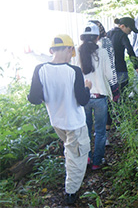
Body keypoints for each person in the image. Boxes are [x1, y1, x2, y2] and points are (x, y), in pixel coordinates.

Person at [28, 34, 92, 205]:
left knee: (71, 151)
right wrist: (87, 87)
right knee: (77, 157)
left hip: (57, 122)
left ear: (51, 50)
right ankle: (71, 194)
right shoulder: (74, 71)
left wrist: (49, 94)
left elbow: (33, 98)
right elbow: (83, 100)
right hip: (75, 123)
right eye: (71, 51)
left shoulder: (40, 69)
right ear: (69, 49)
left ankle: (71, 184)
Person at [76, 22, 118, 170]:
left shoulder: (77, 52)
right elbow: (109, 74)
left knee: (85, 129)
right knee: (100, 131)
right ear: (97, 37)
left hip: (84, 97)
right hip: (100, 97)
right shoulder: (102, 52)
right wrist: (115, 90)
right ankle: (97, 161)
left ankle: (86, 157)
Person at [89, 20, 120, 145]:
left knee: (104, 112)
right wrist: (114, 86)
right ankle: (100, 139)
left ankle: (103, 137)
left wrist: (113, 85)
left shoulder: (105, 42)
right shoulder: (90, 45)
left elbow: (110, 64)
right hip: (96, 85)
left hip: (98, 84)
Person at [107, 17, 138, 93]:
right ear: (122, 26)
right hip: (120, 68)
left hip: (108, 69)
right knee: (123, 93)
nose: (130, 32)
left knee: (111, 94)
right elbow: (130, 50)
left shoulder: (108, 34)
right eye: (130, 30)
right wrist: (136, 65)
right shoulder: (122, 35)